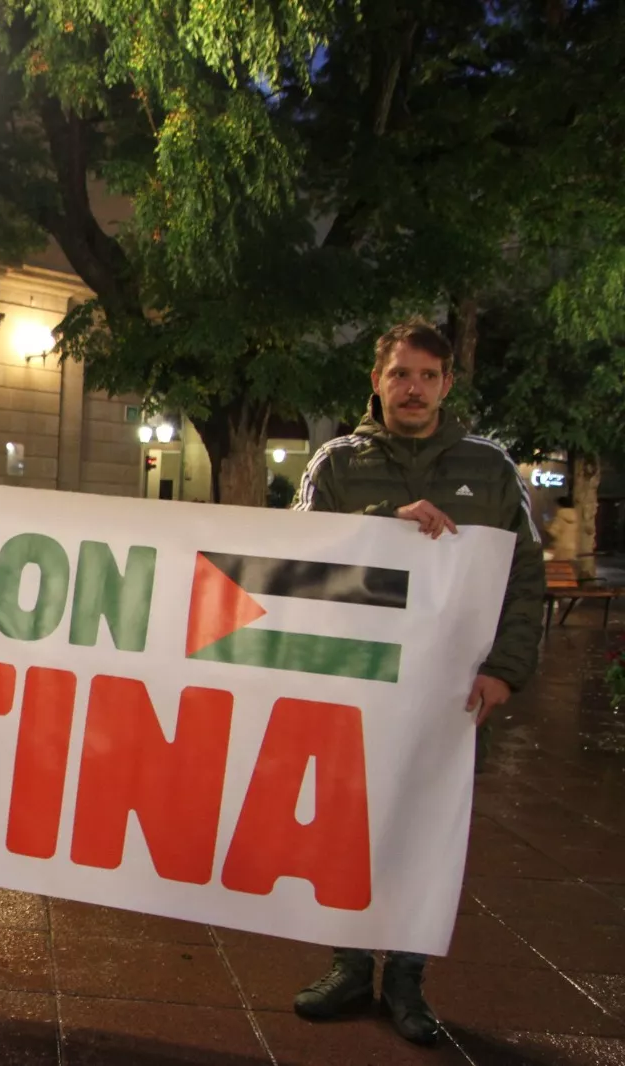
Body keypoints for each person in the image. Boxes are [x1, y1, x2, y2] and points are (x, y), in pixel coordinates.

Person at [292, 319, 544, 1045]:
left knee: (430, 830)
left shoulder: (489, 468)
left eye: (428, 376)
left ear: (446, 384)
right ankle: (348, 965)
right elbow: (299, 557)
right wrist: (385, 525)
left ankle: (406, 979)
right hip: (358, 686)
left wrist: (506, 670)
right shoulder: (336, 464)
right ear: (376, 380)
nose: (413, 388)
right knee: (349, 825)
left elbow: (525, 577)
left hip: (449, 694)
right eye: (400, 373)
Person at [546, 496, 579, 562]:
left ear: (560, 505)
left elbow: (553, 532)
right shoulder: (577, 516)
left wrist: (547, 526)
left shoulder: (560, 515)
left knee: (559, 566)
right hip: (575, 548)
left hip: (562, 548)